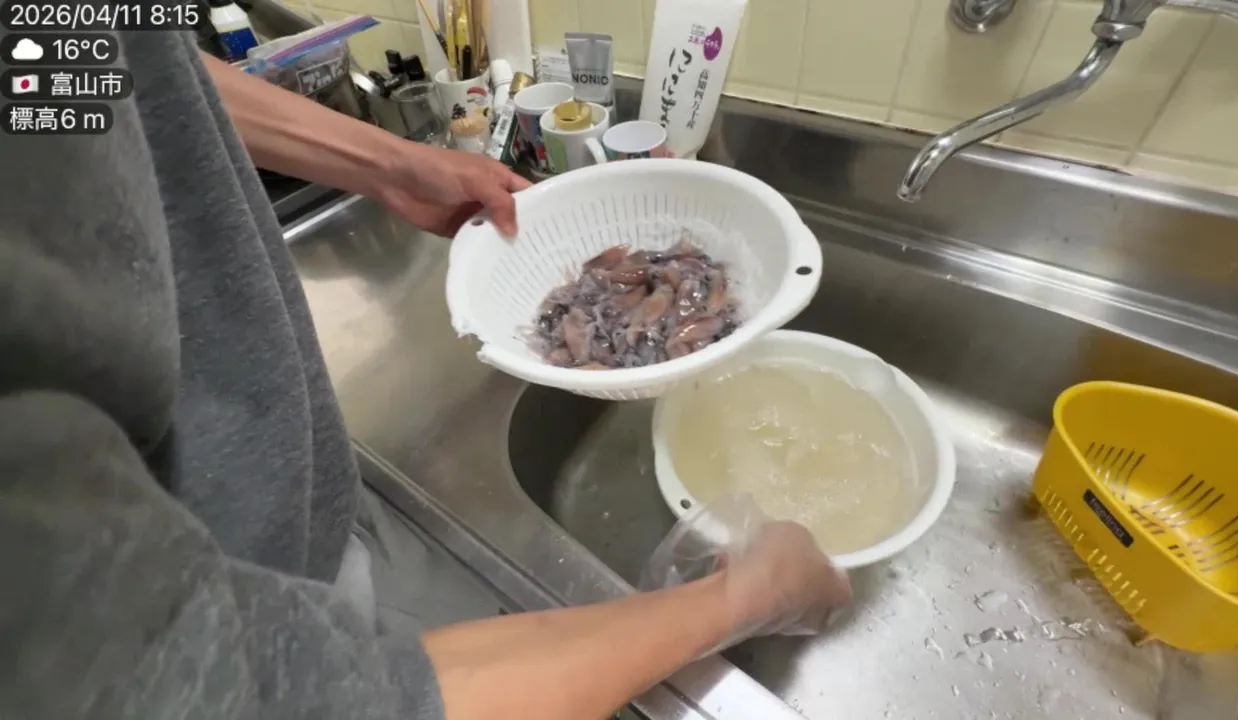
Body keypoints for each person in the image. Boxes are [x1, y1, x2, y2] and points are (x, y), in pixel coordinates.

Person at [0, 28, 852, 719]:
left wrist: (384, 161)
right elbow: (269, 698)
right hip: (230, 583)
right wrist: (746, 598)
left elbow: (110, 65)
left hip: (298, 523)